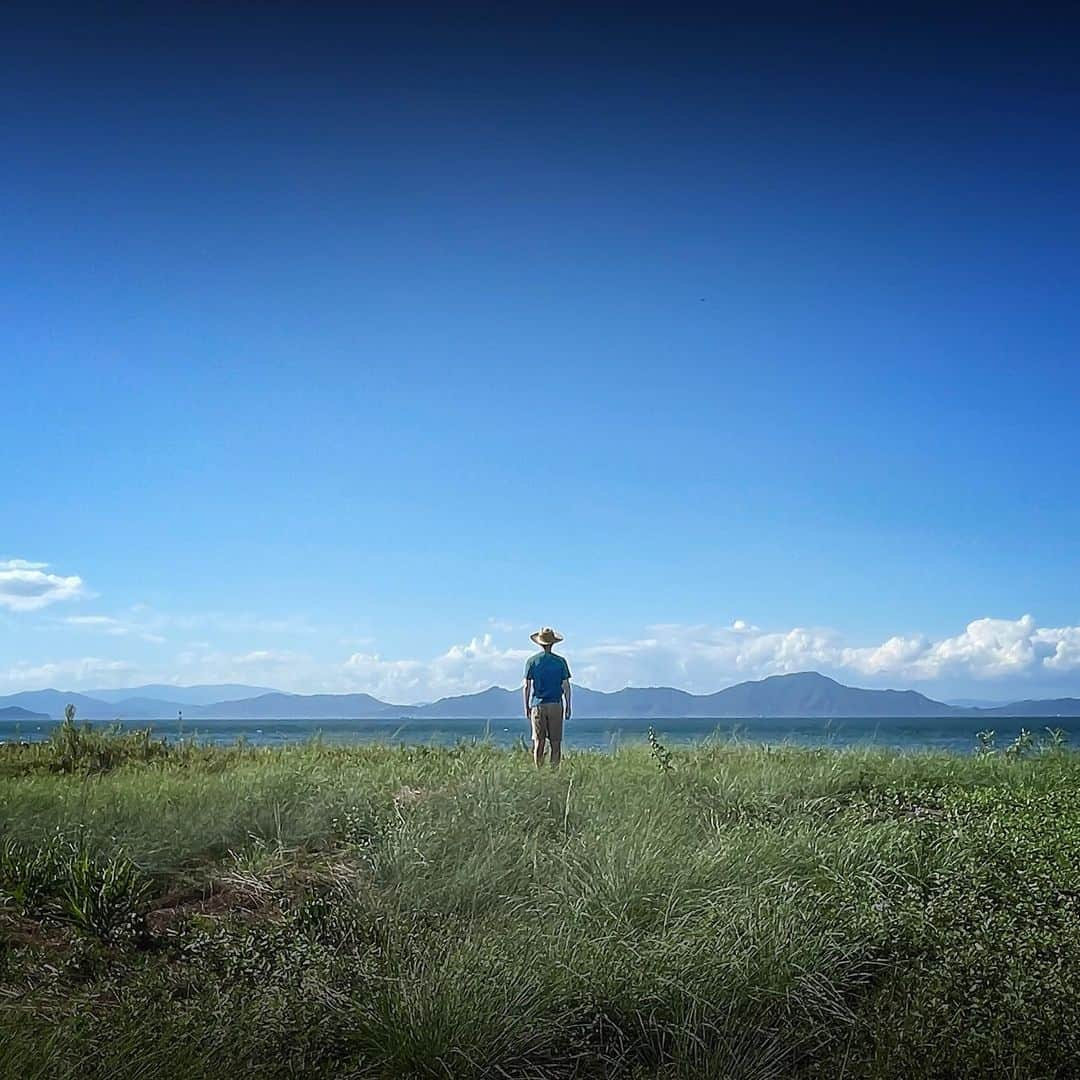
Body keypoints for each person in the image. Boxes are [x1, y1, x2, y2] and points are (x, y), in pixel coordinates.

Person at [523, 626, 571, 768]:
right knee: (556, 743)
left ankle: (539, 771)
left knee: (539, 741)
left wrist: (526, 706)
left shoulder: (532, 661)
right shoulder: (560, 662)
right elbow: (566, 686)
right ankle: (554, 771)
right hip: (556, 704)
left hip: (538, 705)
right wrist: (568, 705)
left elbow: (527, 686)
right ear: (553, 643)